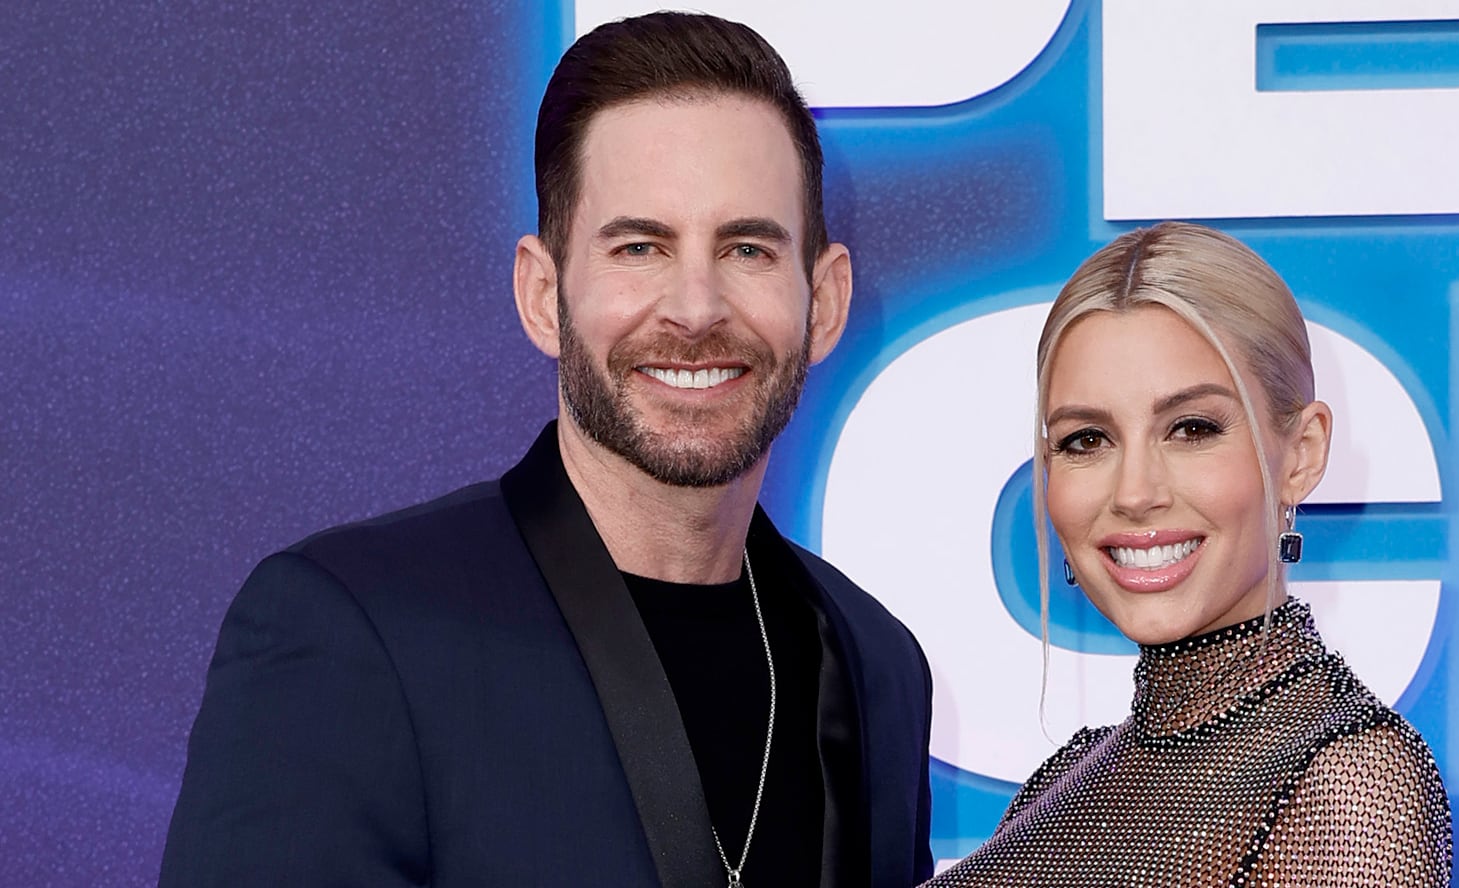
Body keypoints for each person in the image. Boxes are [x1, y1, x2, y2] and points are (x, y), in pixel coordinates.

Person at [158, 12, 933, 888]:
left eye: (747, 248)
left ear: (824, 302)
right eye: (639, 247)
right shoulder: (356, 632)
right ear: (541, 295)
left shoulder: (878, 667)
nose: (696, 308)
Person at [926, 222, 1451, 886]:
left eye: (1192, 429)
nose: (1134, 493)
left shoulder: (1347, 779)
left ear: (1302, 454)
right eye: (1087, 439)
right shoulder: (1066, 777)